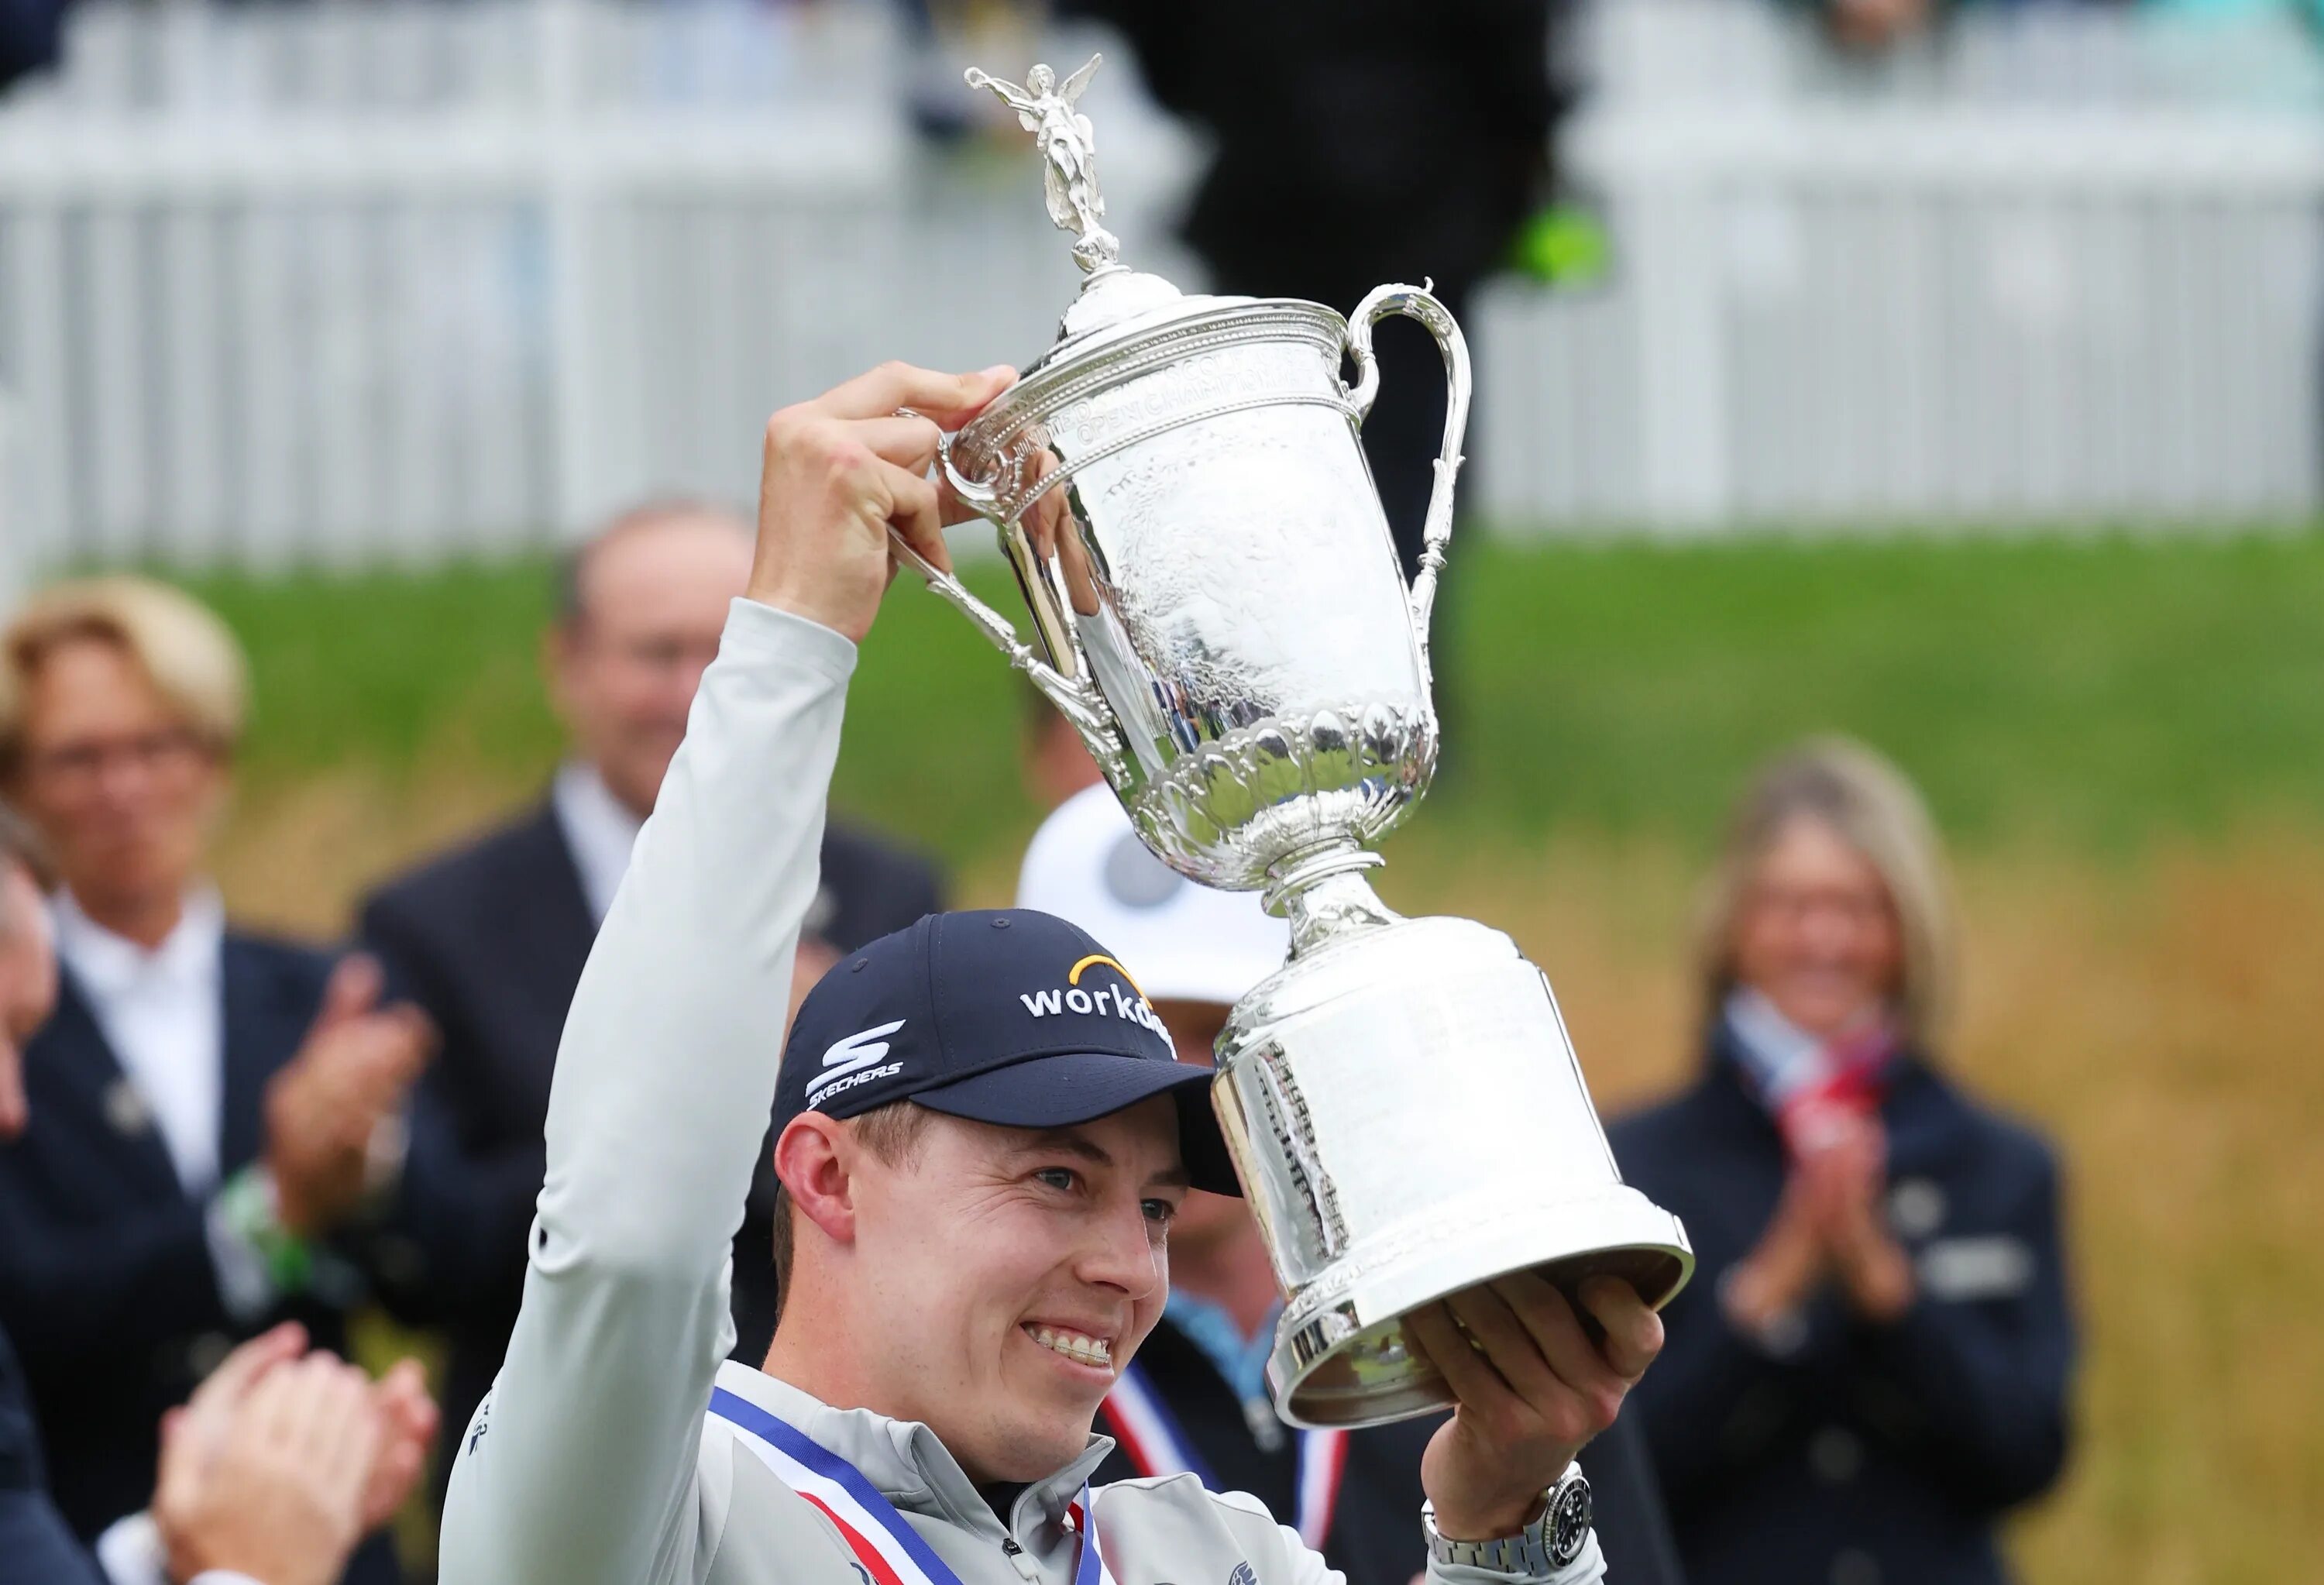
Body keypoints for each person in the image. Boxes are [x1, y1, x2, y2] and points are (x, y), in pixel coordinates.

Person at [438, 360, 1666, 1585]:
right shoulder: (653, 1512)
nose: (1132, 1267)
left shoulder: (1208, 1552)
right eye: (1058, 1176)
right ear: (825, 1174)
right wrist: (789, 636)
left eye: (1148, 1204)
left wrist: (1509, 1531)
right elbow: (632, 1236)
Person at [358, 500, 944, 1493]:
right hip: (561, 1486)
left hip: (837, 1481)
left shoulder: (889, 892)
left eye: (722, 652)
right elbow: (428, 1255)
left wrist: (822, 1083)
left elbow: (933, 1209)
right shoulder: (435, 922)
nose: (689, 693)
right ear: (567, 663)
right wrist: (700, 1082)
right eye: (655, 653)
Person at [1016, 783, 1690, 1585]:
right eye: (1129, 1041)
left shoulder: (1499, 1330)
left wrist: (1516, 1522)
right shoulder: (1009, 1384)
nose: (1174, 1085)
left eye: (1218, 1034)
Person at [0, 579, 431, 1582]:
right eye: (79, 757)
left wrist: (366, 1160)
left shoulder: (319, 986)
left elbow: (446, 1258)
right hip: (82, 1531)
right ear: (17, 786)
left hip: (328, 1534)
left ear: (216, 762)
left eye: (161, 746)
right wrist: (267, 1211)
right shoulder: (19, 1009)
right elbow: (29, 1299)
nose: (125, 787)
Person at [1608, 740, 2075, 1585]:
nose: (1822, 938)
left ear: (1910, 929)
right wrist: (1766, 1296)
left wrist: (1885, 1292)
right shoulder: (1632, 1167)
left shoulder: (2001, 1163)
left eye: (1859, 907)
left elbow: (2028, 1460)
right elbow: (1616, 1473)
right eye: (1789, 904)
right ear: (1734, 924)